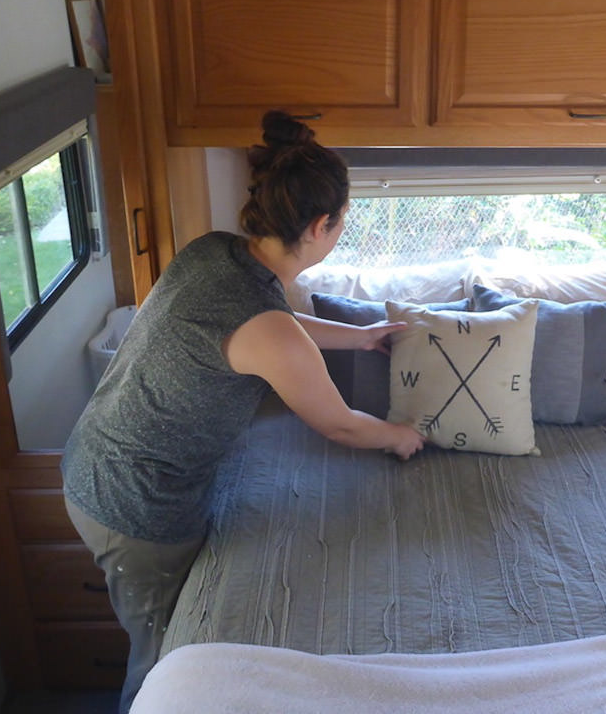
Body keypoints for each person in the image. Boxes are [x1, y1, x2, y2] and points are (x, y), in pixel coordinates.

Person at [60, 110, 424, 712]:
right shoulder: (263, 320)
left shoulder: (217, 253)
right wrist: (399, 436)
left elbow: (273, 328)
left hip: (94, 459)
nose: (340, 233)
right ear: (318, 225)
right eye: (341, 222)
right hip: (135, 504)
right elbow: (335, 421)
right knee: (161, 664)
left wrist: (356, 337)